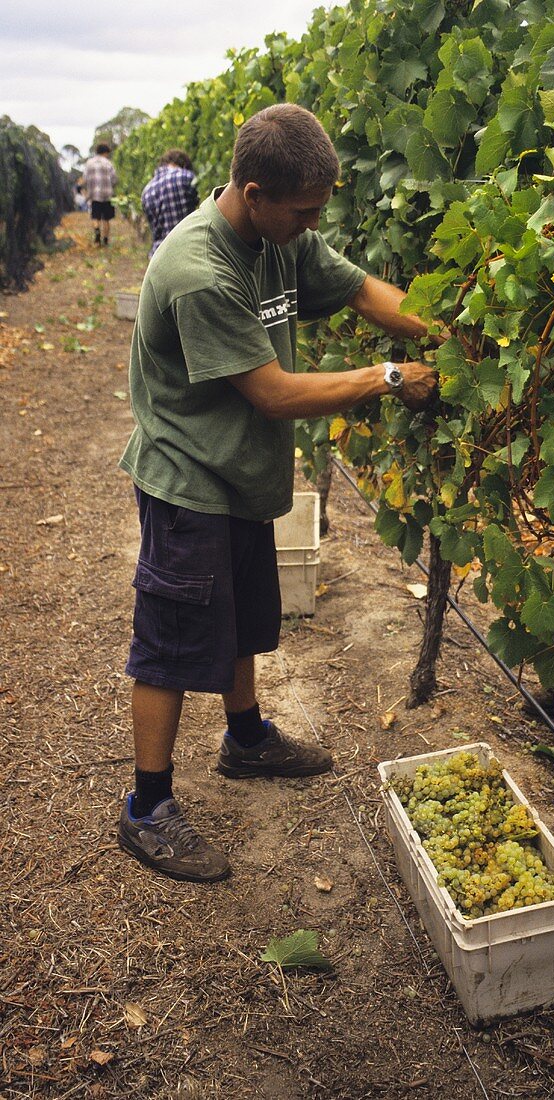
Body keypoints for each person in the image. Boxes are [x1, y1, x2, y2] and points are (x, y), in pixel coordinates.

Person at [117, 103, 438, 883]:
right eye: (305, 210)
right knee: (170, 641)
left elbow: (365, 292)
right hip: (189, 477)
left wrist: (452, 336)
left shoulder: (281, 236)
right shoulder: (199, 269)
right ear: (253, 191)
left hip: (242, 475)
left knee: (244, 618)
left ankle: (246, 738)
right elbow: (273, 393)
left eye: (319, 209)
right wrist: (386, 377)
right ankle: (145, 808)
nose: (314, 223)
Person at [141, 149, 199, 256]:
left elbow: (154, 230)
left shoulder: (146, 191)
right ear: (184, 164)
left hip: (158, 257)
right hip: (189, 253)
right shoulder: (187, 177)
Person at [82, 143, 116, 246]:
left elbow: (85, 178)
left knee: (95, 217)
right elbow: (114, 179)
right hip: (107, 195)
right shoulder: (108, 163)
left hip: (94, 195)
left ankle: (97, 235)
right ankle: (105, 240)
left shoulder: (89, 163)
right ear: (105, 152)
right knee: (106, 219)